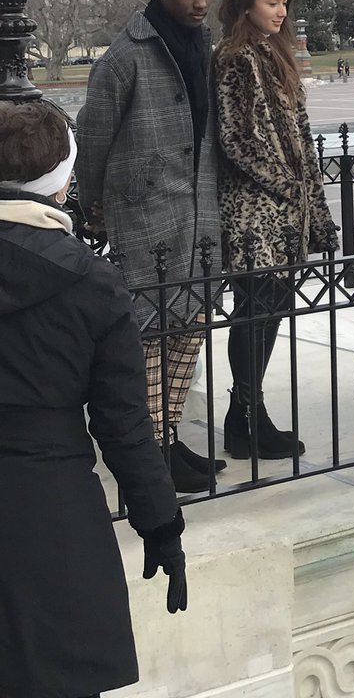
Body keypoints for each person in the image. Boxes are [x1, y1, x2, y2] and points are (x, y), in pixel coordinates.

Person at [0, 102, 187, 698]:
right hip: (50, 511)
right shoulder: (92, 282)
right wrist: (161, 523)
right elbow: (124, 423)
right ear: (63, 181)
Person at [76, 0, 224, 493]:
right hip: (145, 216)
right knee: (149, 341)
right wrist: (93, 207)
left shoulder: (202, 43)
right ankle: (150, 450)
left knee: (190, 327)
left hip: (197, 212)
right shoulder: (124, 56)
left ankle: (167, 438)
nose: (200, 2)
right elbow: (94, 139)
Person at [215, 0, 335, 459]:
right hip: (253, 210)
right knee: (257, 310)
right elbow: (237, 139)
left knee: (267, 310)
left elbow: (298, 136)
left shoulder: (272, 53)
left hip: (279, 210)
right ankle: (246, 416)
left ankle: (244, 415)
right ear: (246, 5)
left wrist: (307, 199)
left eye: (284, 2)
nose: (281, 11)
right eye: (271, 3)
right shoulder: (236, 57)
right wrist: (289, 185)